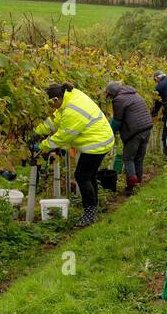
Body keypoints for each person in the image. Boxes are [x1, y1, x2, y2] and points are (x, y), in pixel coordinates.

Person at [30, 83, 114, 227]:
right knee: (89, 175)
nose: (50, 106)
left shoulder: (72, 111)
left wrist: (41, 145)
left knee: (82, 175)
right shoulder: (69, 98)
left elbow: (63, 136)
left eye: (51, 103)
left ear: (57, 99)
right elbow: (54, 120)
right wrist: (37, 131)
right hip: (101, 138)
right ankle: (93, 207)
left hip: (97, 143)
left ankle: (89, 212)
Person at [105, 81, 153, 193]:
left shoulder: (118, 100)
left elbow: (117, 121)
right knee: (139, 158)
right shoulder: (134, 94)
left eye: (110, 95)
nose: (110, 98)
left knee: (128, 158)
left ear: (113, 92)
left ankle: (131, 186)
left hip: (134, 132)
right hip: (146, 128)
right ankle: (138, 183)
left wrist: (108, 133)